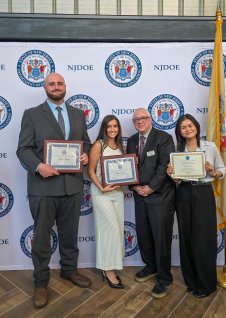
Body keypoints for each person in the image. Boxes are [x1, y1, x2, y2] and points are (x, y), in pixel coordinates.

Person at [16, 72, 92, 309]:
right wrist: (39, 166)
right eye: (52, 84)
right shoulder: (32, 115)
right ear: (45, 87)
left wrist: (86, 153)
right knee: (41, 238)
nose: (56, 87)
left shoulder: (78, 114)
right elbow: (23, 149)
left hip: (72, 186)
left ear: (65, 86)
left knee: (70, 234)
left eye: (60, 83)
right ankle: (40, 282)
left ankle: (69, 270)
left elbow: (86, 142)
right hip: (43, 187)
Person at [167, 114, 226, 298]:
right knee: (186, 238)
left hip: (203, 192)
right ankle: (191, 281)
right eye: (183, 127)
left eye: (190, 125)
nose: (187, 129)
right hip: (183, 193)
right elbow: (177, 179)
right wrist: (171, 173)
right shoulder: (177, 149)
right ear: (180, 131)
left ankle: (206, 284)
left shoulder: (210, 146)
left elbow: (222, 171)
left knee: (203, 239)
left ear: (196, 127)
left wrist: (213, 171)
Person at [127, 108, 175, 299]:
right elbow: (128, 166)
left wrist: (151, 188)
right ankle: (151, 266)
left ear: (151, 119)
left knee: (161, 238)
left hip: (160, 196)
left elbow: (165, 166)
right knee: (144, 234)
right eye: (136, 119)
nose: (140, 121)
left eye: (143, 118)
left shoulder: (163, 138)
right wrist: (135, 186)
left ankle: (164, 278)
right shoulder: (131, 140)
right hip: (139, 195)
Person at [88, 115, 125, 289]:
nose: (112, 129)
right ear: (104, 128)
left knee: (116, 230)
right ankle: (108, 270)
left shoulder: (120, 146)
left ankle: (110, 266)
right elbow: (90, 171)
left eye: (115, 126)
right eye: (109, 126)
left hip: (117, 193)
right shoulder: (98, 145)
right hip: (101, 193)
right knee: (109, 229)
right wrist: (101, 187)